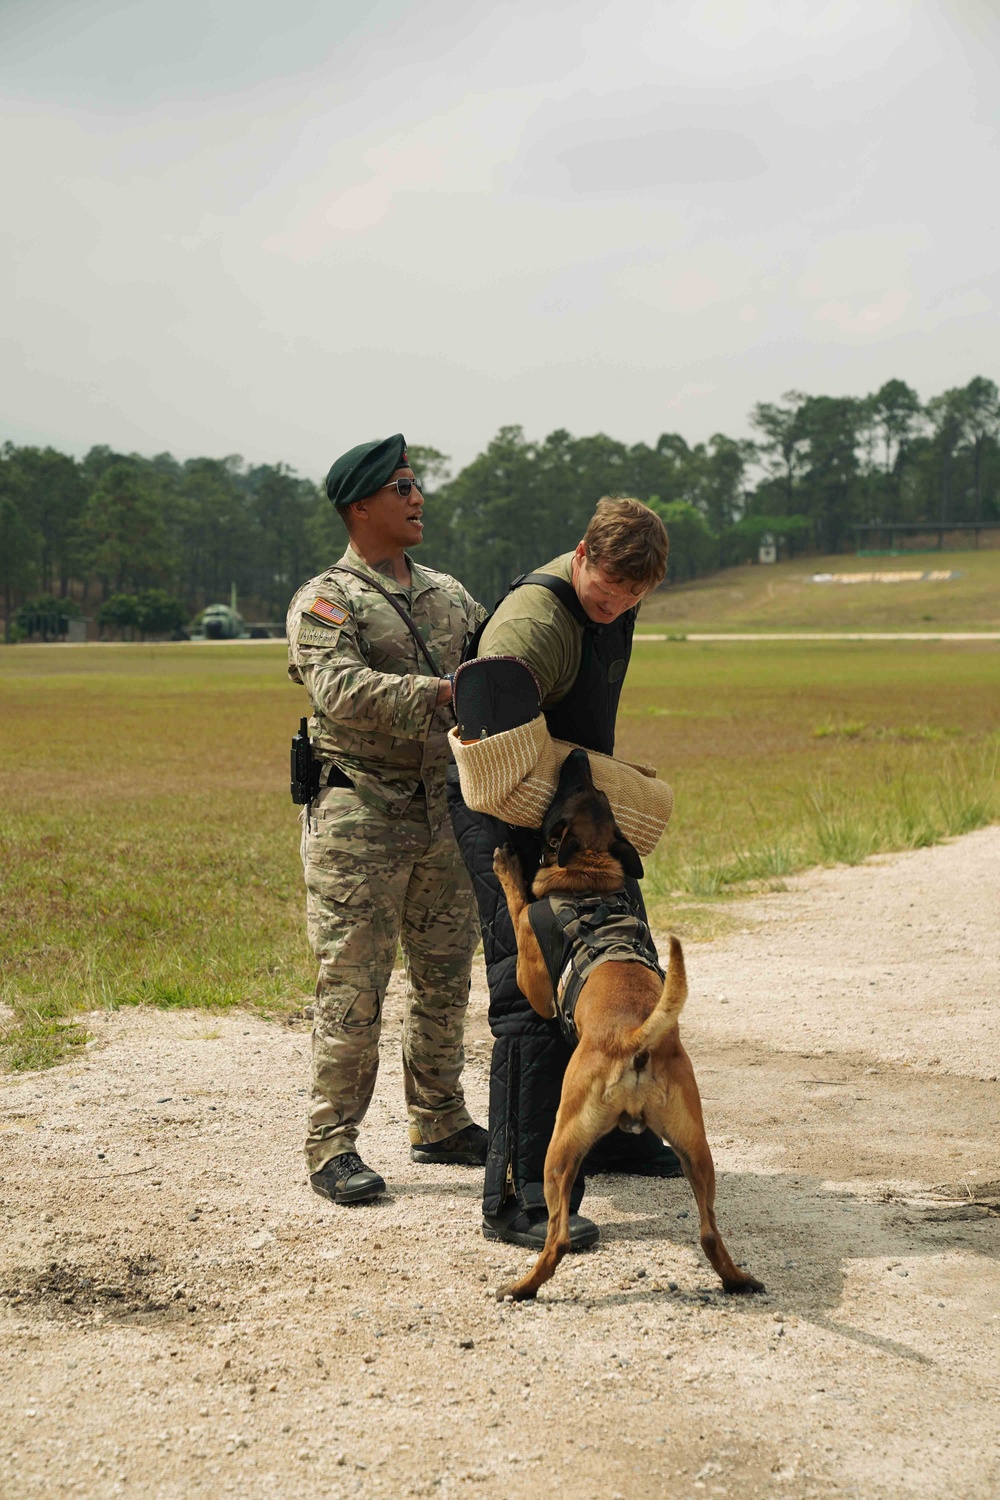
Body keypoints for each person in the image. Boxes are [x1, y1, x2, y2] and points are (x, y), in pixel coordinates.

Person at [447, 496, 678, 1249]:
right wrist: (538, 862)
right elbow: (486, 737)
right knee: (529, 995)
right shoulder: (533, 626)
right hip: (507, 809)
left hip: (573, 801)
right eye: (604, 596)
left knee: (620, 955)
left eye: (631, 601)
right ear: (580, 554)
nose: (614, 611)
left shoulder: (612, 597)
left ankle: (608, 1126)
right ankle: (514, 1200)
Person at [287, 433, 488, 1206]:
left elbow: (493, 657)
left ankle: (438, 1120)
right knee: (353, 986)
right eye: (400, 487)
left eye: (416, 485)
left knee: (443, 976)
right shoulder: (327, 600)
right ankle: (331, 1146)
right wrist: (439, 695)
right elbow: (338, 689)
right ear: (360, 505)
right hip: (358, 816)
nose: (416, 498)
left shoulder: (447, 593)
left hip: (443, 811)